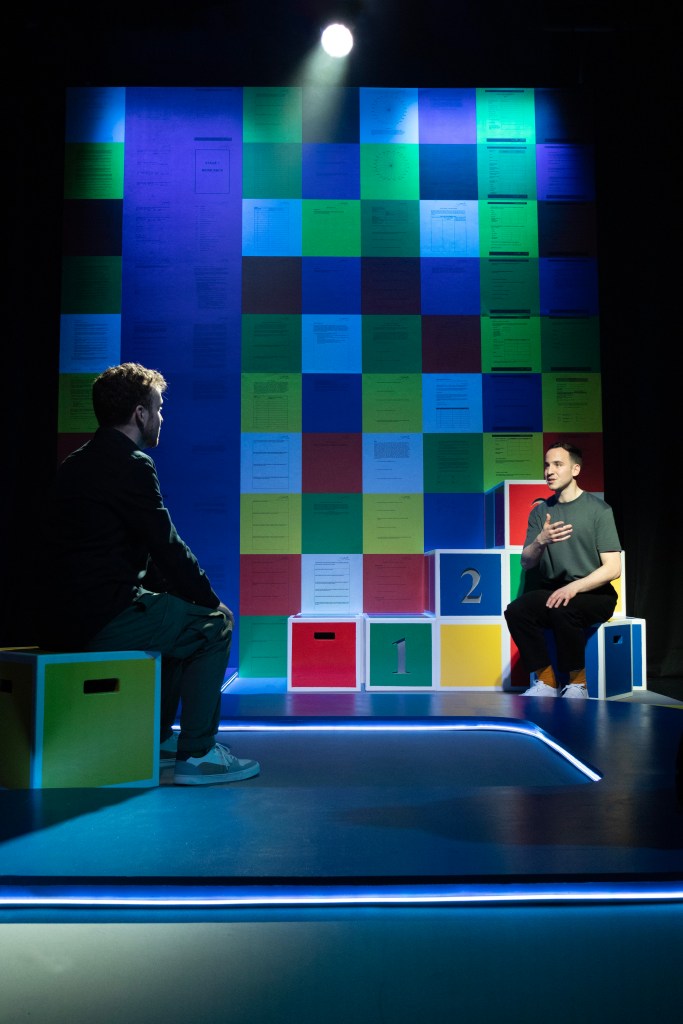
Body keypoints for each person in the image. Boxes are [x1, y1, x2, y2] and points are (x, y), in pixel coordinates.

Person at [35, 362, 260, 785]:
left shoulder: (76, 463)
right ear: (139, 414)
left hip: (62, 618)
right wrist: (211, 602)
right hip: (102, 618)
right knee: (213, 627)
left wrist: (184, 598)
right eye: (158, 408)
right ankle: (198, 755)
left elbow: (137, 550)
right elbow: (166, 545)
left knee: (178, 620)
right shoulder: (131, 463)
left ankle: (158, 739)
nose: (161, 417)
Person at [504, 440, 622, 698]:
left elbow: (613, 568)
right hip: (554, 590)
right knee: (516, 611)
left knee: (563, 608)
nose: (549, 471)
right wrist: (540, 540)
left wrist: (574, 587)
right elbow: (527, 562)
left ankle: (578, 683)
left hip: (594, 594)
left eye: (558, 464)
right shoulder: (540, 513)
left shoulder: (599, 510)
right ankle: (547, 682)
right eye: (547, 465)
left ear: (575, 470)